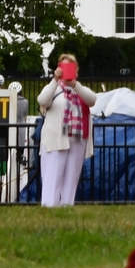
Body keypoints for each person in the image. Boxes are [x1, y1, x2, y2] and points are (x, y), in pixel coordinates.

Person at [37, 54, 97, 207]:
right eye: (64, 67)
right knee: (53, 175)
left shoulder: (80, 89)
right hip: (56, 139)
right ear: (58, 68)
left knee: (72, 177)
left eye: (71, 67)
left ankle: (66, 207)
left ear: (76, 70)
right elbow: (42, 100)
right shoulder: (53, 88)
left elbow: (92, 100)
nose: (67, 71)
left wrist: (75, 84)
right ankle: (49, 207)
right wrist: (55, 79)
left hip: (77, 140)